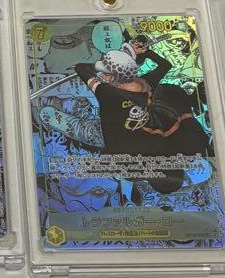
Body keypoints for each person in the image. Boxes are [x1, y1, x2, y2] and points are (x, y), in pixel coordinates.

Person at [73, 38, 211, 194]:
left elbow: (81, 68)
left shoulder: (108, 93)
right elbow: (166, 66)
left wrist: (112, 62)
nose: (103, 77)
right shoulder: (146, 84)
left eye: (107, 74)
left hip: (112, 135)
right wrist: (140, 53)